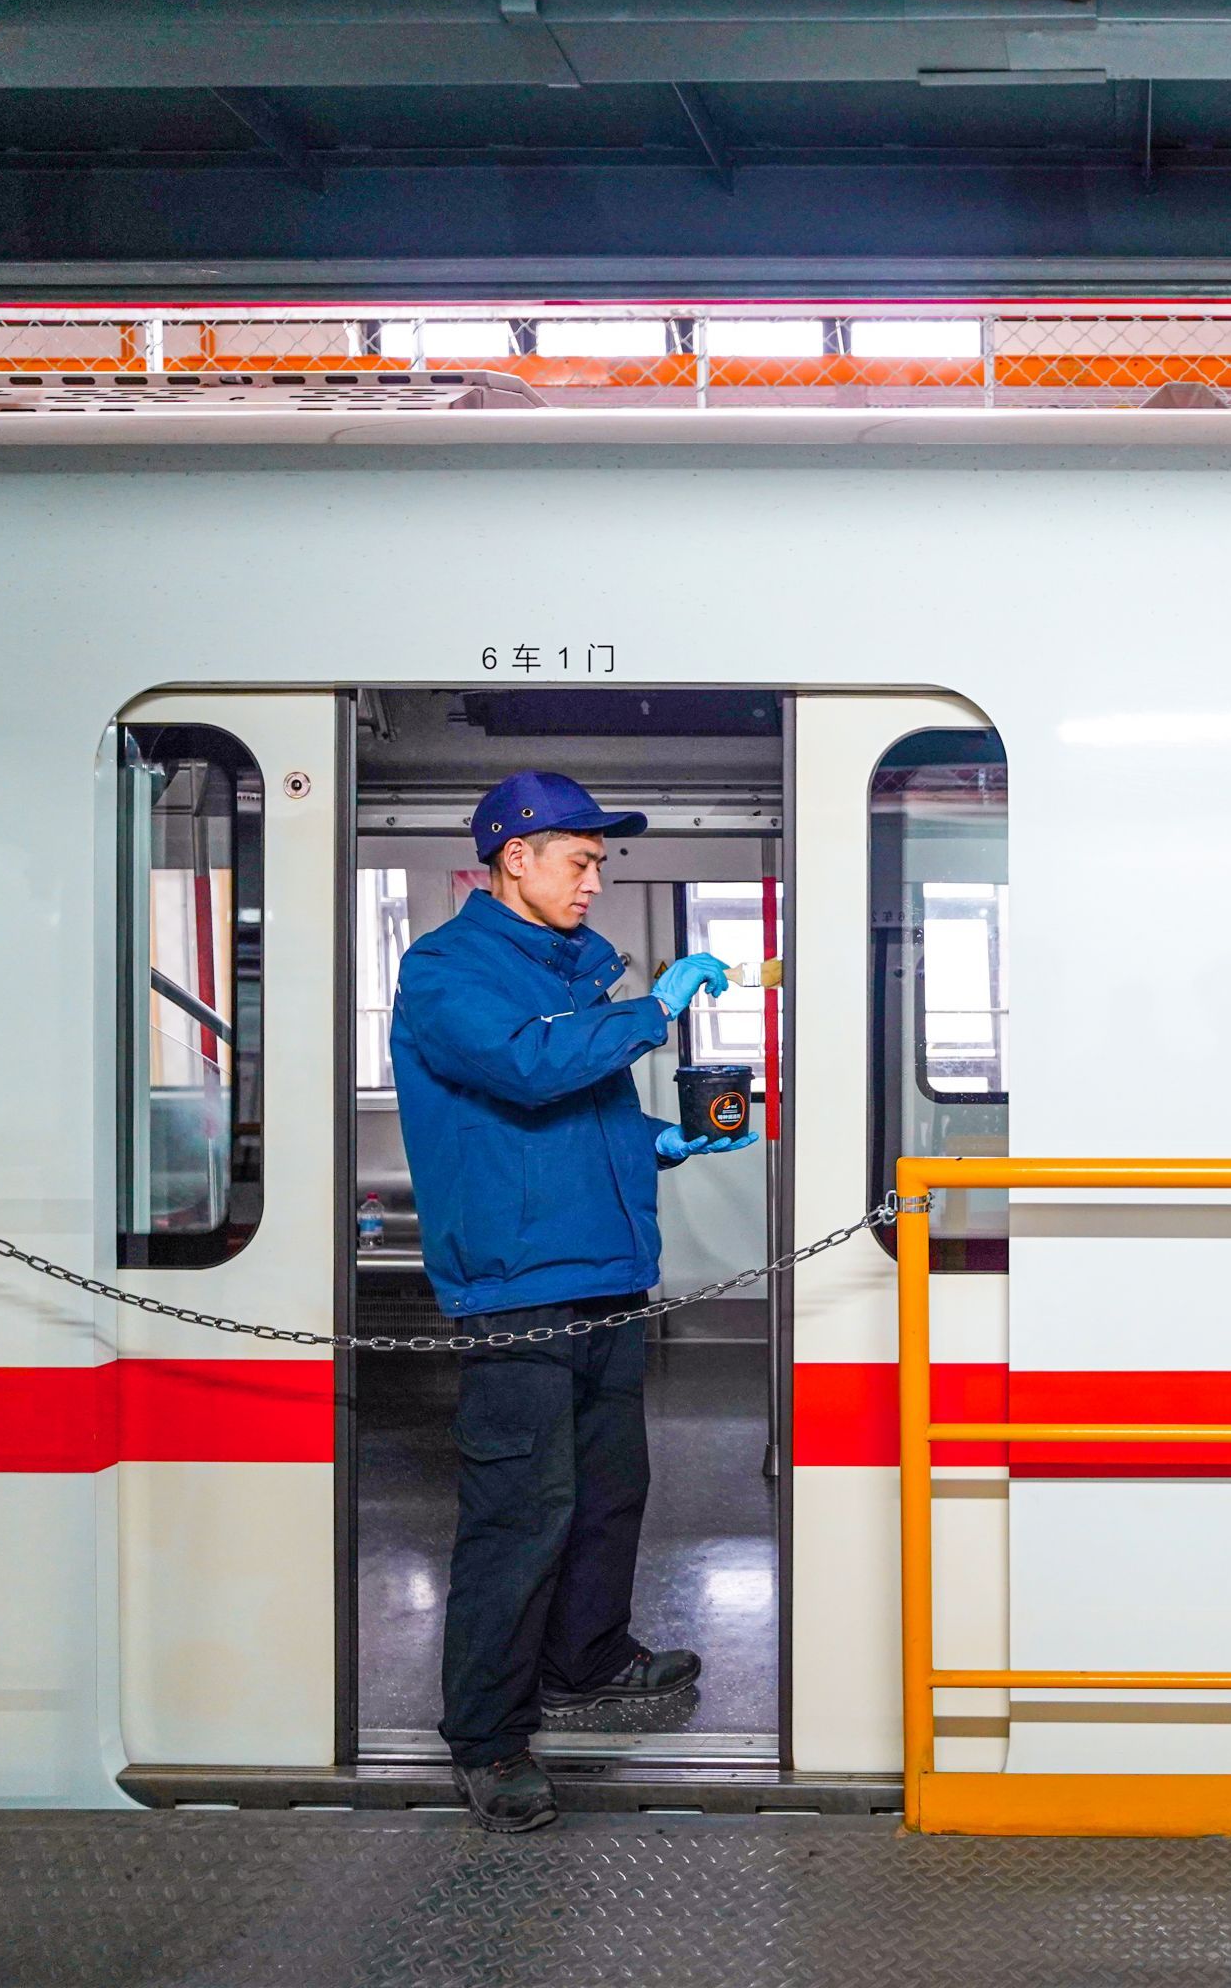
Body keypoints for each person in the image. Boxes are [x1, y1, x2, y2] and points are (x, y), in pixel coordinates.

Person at [391, 769, 759, 1830]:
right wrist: (655, 1009)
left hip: (605, 1272)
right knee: (521, 1511)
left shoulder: (571, 970)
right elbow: (527, 1069)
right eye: (582, 860)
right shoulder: (444, 969)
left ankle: (584, 1659)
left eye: (600, 863)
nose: (596, 880)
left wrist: (659, 1140)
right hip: (518, 1285)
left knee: (608, 1489)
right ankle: (489, 1737)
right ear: (517, 857)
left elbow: (584, 1114)